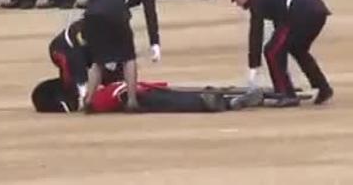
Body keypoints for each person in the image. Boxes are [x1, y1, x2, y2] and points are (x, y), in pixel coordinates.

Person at [224, 0, 334, 107]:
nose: (237, 3)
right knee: (297, 49)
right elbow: (279, 28)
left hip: (300, 11)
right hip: (315, 10)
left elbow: (256, 32)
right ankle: (323, 87)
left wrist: (254, 65)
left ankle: (286, 93)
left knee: (272, 51)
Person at [82, 0, 161, 112]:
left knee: (99, 60)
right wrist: (155, 43)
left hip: (91, 13)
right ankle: (132, 101)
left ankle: (89, 100)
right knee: (128, 57)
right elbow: (150, 14)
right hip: (114, 13)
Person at [32, 77, 265, 113]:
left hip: (115, 93)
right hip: (117, 90)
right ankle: (216, 100)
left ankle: (210, 101)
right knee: (163, 98)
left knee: (164, 101)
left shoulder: (83, 94)